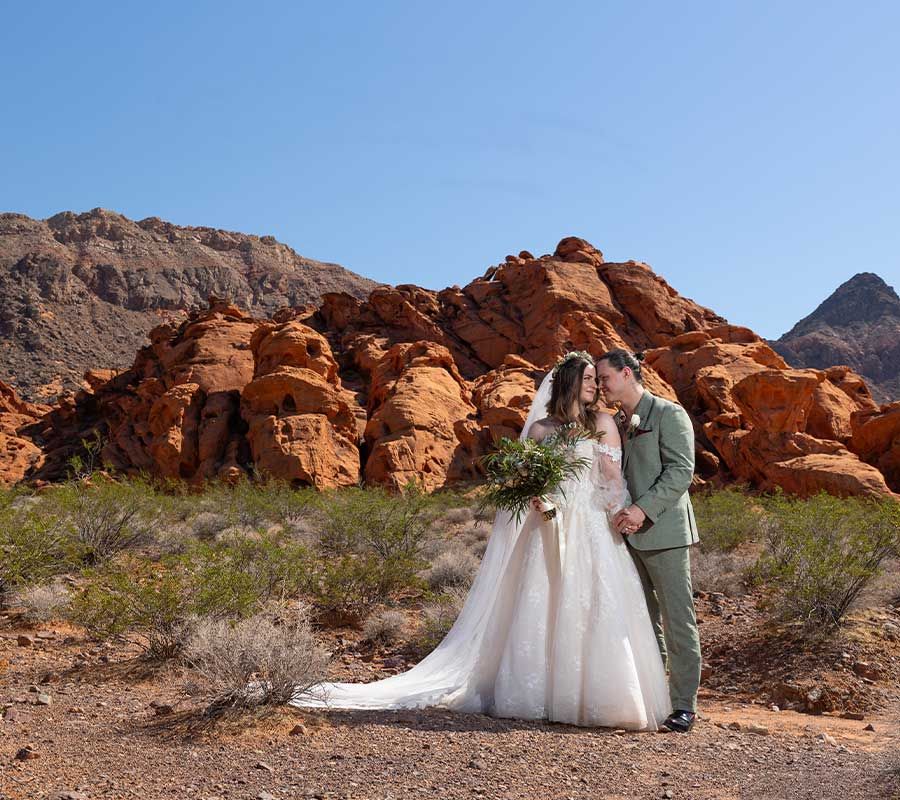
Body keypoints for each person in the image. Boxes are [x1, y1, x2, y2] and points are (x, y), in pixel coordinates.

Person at [292, 352, 671, 731]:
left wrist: (616, 516)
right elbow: (527, 479)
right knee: (543, 600)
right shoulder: (540, 430)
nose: (594, 385)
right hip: (546, 524)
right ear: (570, 382)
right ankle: (539, 693)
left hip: (589, 526)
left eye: (596, 378)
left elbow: (611, 478)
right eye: (587, 378)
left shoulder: (601, 423)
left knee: (593, 603)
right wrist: (536, 496)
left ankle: (599, 698)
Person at [595, 349, 702, 734]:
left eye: (605, 378)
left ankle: (684, 706)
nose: (601, 386)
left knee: (677, 619)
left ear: (627, 374)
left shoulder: (669, 414)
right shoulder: (615, 422)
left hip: (665, 533)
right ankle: (652, 699)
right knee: (643, 621)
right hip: (625, 536)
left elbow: (681, 471)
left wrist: (642, 510)